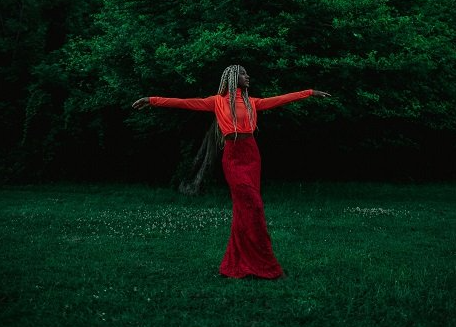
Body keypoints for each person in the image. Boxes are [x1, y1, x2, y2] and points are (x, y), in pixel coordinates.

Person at [132, 64, 331, 279]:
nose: (248, 76)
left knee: (246, 211)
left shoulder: (252, 102)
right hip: (233, 157)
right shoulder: (216, 102)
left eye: (247, 72)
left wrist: (309, 93)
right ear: (233, 77)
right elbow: (183, 102)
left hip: (251, 156)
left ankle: (241, 263)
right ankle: (258, 263)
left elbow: (282, 99)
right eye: (243, 73)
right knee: (252, 206)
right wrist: (151, 100)